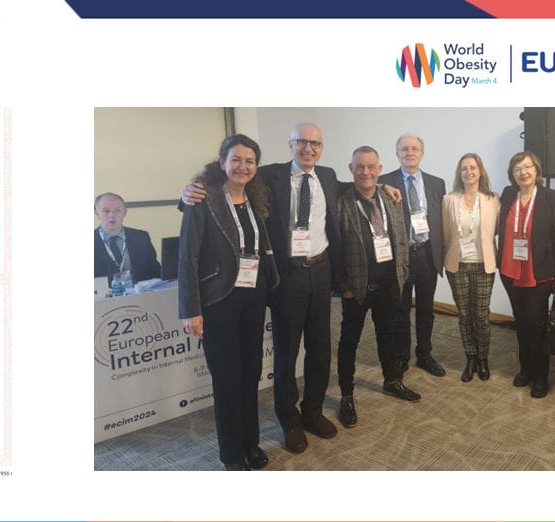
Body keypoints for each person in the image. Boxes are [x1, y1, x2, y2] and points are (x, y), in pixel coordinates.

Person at [181, 123, 400, 454]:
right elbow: (223, 183)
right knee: (287, 351)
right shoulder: (268, 175)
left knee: (320, 346)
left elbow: (357, 184)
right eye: (302, 142)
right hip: (288, 275)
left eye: (315, 143)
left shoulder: (326, 177)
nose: (308, 149)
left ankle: (312, 411)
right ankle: (290, 420)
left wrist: (383, 187)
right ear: (291, 144)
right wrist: (187, 194)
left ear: (322, 147)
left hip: (322, 270)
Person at [178, 134, 279, 470]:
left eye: (250, 161)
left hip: (252, 298)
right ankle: (232, 453)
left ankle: (251, 443)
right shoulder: (203, 199)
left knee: (251, 375)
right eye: (236, 159)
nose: (243, 166)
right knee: (226, 380)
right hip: (218, 301)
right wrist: (191, 308)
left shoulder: (255, 197)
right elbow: (188, 258)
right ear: (222, 162)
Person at [335, 146, 415, 429]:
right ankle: (346, 395)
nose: (366, 172)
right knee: (349, 341)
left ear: (380, 168)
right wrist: (342, 285)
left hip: (389, 283)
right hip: (356, 287)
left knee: (388, 334)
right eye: (360, 167)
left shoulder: (392, 197)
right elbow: (335, 247)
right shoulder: (341, 201)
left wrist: (403, 274)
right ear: (351, 168)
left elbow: (402, 238)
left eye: (371, 167)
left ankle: (392, 380)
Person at [378, 134, 447, 378]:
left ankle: (425, 353)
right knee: (400, 309)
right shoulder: (384, 182)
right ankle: (401, 356)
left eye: (415, 148)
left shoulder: (437, 183)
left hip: (427, 254)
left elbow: (441, 221)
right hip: (400, 256)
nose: (410, 152)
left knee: (426, 309)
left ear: (422, 153)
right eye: (404, 149)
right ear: (397, 154)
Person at [497, 151, 555, 398]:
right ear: (512, 174)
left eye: (527, 167)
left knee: (536, 325)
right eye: (517, 169)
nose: (523, 172)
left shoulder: (551, 197)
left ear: (536, 170)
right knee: (521, 323)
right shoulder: (507, 195)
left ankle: (540, 376)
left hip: (539, 272)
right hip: (510, 270)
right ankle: (525, 369)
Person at [442, 153, 501, 382]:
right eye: (464, 168)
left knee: (482, 316)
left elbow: (495, 232)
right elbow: (446, 234)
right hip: (458, 265)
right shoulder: (448, 199)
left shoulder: (493, 199)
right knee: (465, 315)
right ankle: (470, 357)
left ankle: (483, 359)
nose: (469, 172)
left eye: (473, 167)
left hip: (483, 264)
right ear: (460, 173)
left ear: (480, 171)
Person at [93, 193, 161, 285]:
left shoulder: (141, 237)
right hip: (104, 298)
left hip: (140, 296)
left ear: (125, 212)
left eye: (117, 210)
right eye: (106, 211)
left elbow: (155, 272)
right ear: (97, 213)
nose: (112, 215)